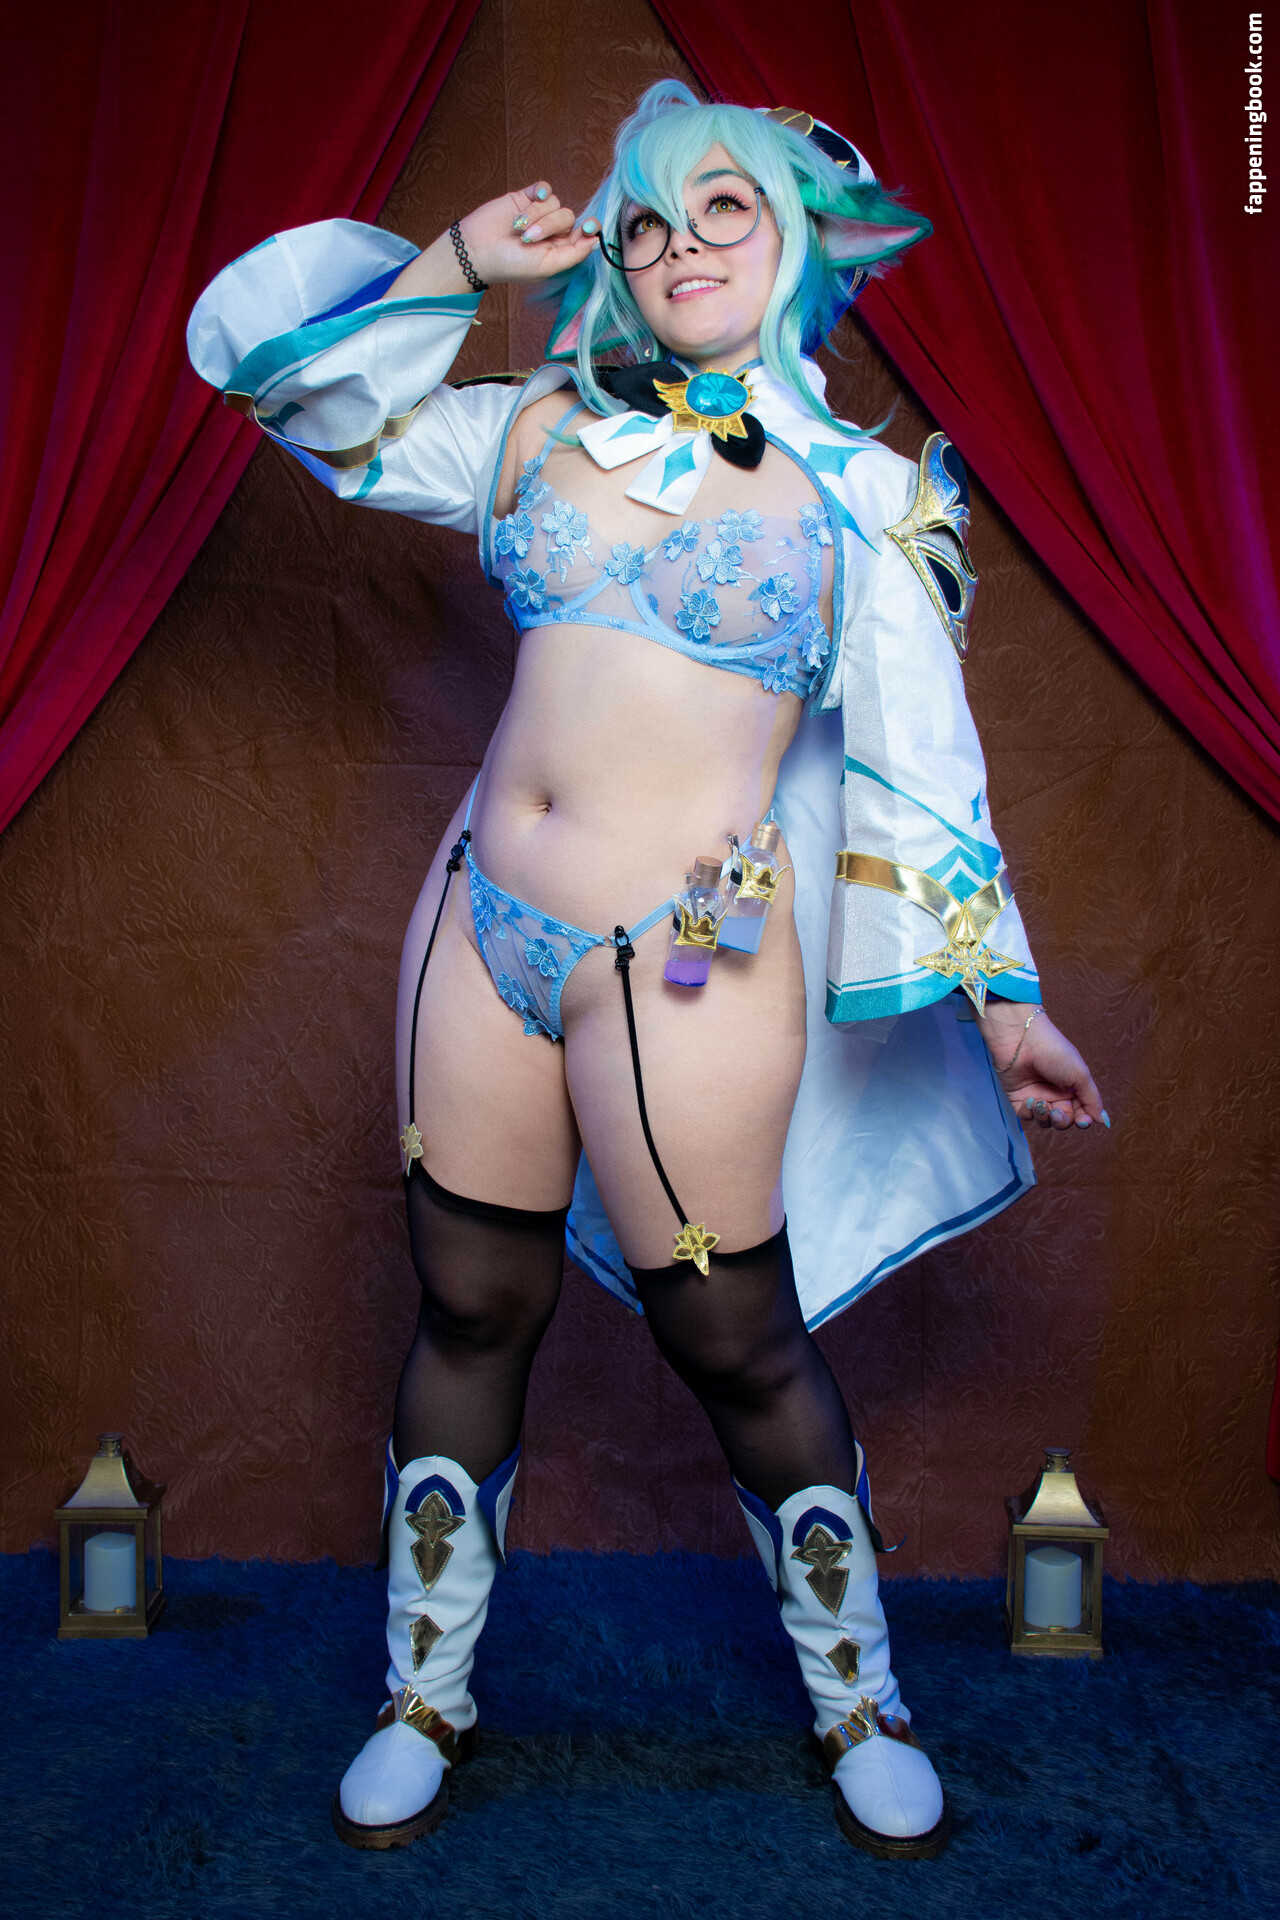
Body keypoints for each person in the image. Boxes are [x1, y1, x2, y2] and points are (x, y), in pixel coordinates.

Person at [187, 81, 1105, 1862]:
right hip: (480, 922)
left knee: (731, 1333)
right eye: (650, 218)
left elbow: (923, 765)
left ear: (799, 241)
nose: (684, 244)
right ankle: (424, 1695)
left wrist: (1003, 1003)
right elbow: (295, 395)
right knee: (469, 1306)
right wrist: (457, 264)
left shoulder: (865, 498)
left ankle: (859, 1700)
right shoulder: (536, 424)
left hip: (681, 957)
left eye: (725, 208)